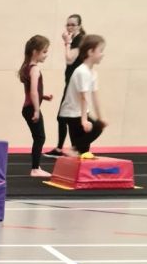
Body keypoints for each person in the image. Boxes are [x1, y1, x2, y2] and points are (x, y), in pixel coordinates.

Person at [58, 35, 107, 156]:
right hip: (72, 113)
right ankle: (74, 149)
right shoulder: (82, 72)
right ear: (90, 52)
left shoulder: (92, 73)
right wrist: (84, 120)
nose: (103, 54)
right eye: (100, 51)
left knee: (84, 149)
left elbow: (95, 96)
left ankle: (76, 150)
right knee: (96, 129)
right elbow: (83, 97)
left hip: (80, 112)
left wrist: (100, 117)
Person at [48, 14, 85, 157]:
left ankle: (70, 148)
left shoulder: (80, 40)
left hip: (74, 84)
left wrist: (67, 42)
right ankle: (71, 148)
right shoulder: (76, 39)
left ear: (79, 26)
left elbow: (70, 59)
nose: (69, 27)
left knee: (65, 117)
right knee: (67, 117)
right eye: (68, 25)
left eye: (72, 25)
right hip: (71, 82)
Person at [18, 35, 53, 178]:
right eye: (44, 51)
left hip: (27, 108)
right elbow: (33, 91)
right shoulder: (35, 69)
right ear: (35, 52)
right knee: (40, 138)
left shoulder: (27, 67)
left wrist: (43, 96)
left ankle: (36, 166)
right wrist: (37, 110)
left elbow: (31, 91)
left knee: (38, 137)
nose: (46, 54)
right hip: (32, 108)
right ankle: (35, 169)